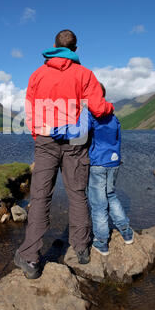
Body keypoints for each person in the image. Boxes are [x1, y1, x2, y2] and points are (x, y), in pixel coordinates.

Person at [14, 30, 114, 279]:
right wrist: (110, 107)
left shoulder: (37, 75)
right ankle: (81, 248)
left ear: (54, 46)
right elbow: (99, 109)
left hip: (46, 141)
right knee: (77, 195)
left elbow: (30, 111)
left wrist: (39, 135)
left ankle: (30, 258)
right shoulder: (85, 74)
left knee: (39, 198)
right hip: (76, 142)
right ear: (75, 49)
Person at [51, 83, 134, 256]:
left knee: (98, 204)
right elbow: (117, 137)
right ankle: (126, 232)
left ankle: (102, 242)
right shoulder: (112, 114)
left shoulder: (90, 113)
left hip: (97, 163)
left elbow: (76, 133)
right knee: (111, 195)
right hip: (114, 161)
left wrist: (55, 131)